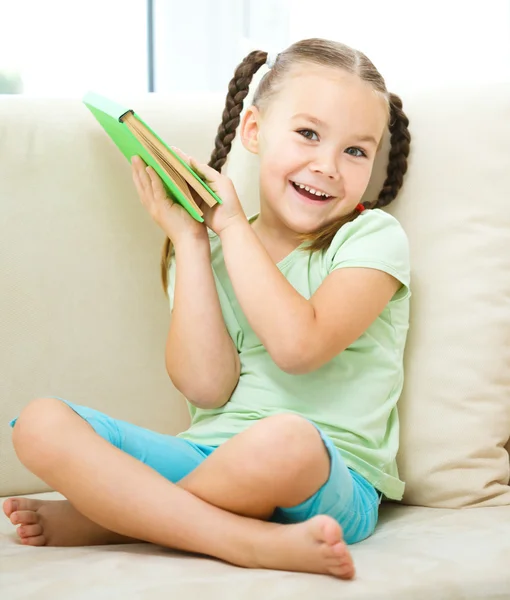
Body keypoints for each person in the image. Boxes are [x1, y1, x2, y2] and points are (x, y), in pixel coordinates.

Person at [4, 38, 411, 580]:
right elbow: (205, 387)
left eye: (355, 151)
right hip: (208, 459)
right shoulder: (210, 248)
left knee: (285, 437)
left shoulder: (372, 239)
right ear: (253, 131)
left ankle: (120, 519)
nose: (328, 166)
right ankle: (238, 537)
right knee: (38, 423)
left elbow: (298, 347)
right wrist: (193, 244)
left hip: (327, 475)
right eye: (308, 134)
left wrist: (231, 226)